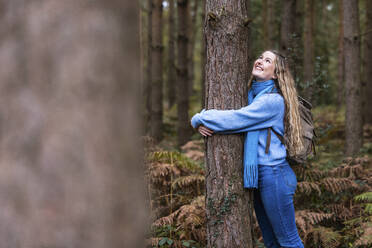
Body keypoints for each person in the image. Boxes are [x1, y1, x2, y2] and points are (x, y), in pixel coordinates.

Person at [190, 50, 304, 248]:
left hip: (274, 175)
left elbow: (236, 119)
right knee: (271, 242)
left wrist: (198, 118)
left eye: (267, 60)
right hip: (261, 177)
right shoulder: (252, 95)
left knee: (288, 241)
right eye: (260, 57)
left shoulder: (271, 101)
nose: (260, 61)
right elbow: (237, 119)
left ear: (276, 74)